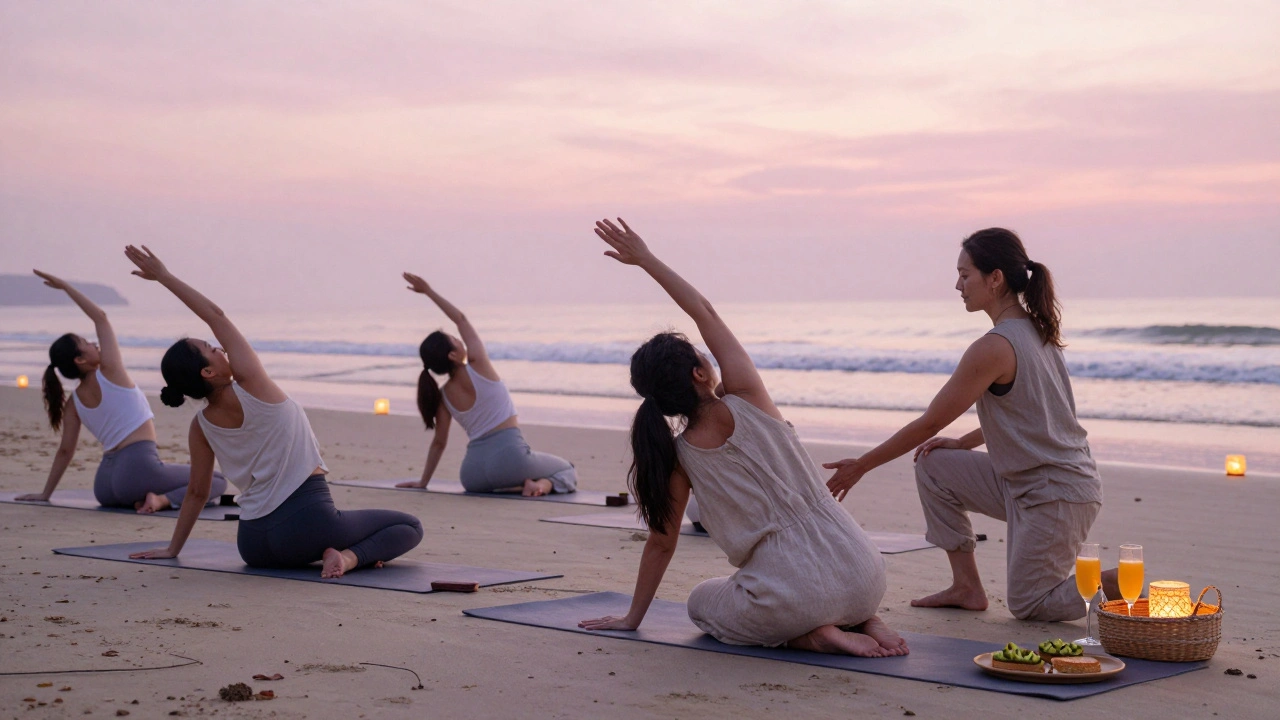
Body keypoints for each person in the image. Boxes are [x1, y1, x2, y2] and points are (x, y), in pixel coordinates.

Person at [578, 219, 906, 657]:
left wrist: (631, 618)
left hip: (794, 597)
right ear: (700, 373)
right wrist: (646, 260)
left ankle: (812, 635)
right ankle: (865, 617)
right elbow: (704, 311)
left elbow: (662, 543)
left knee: (701, 601)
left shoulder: (679, 457)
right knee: (814, 588)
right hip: (866, 571)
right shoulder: (750, 398)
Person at [824, 228, 1105, 621]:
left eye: (965, 274)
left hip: (1056, 492)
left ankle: (1128, 583)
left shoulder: (994, 347)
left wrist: (861, 465)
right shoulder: (1035, 331)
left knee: (1030, 603)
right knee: (934, 464)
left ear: (995, 278)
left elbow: (929, 422)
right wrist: (963, 443)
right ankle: (967, 587)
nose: (957, 285)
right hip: (1022, 482)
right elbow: (1032, 418)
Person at [121, 246, 423, 578]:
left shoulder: (201, 425)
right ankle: (348, 558)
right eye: (211, 349)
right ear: (207, 372)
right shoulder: (252, 384)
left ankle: (334, 551)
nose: (220, 348)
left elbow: (197, 492)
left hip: (254, 544)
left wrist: (173, 548)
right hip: (309, 523)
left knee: (353, 528)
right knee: (408, 526)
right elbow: (216, 316)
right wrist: (164, 276)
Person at [16, 270, 228, 513]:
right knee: (217, 480)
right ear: (80, 360)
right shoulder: (109, 373)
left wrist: (46, 493)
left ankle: (148, 495)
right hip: (136, 469)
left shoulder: (73, 403)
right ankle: (160, 500)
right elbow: (101, 318)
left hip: (104, 486)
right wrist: (66, 286)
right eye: (88, 344)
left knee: (169, 473)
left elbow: (65, 451)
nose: (95, 344)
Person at [395, 272, 577, 497]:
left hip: (473, 476)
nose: (460, 340)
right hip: (513, 459)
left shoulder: (443, 397)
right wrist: (429, 292)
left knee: (504, 476)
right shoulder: (478, 365)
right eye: (455, 340)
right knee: (567, 469)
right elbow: (460, 319)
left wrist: (424, 481)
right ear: (452, 355)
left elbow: (439, 442)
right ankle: (540, 486)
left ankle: (519, 485)